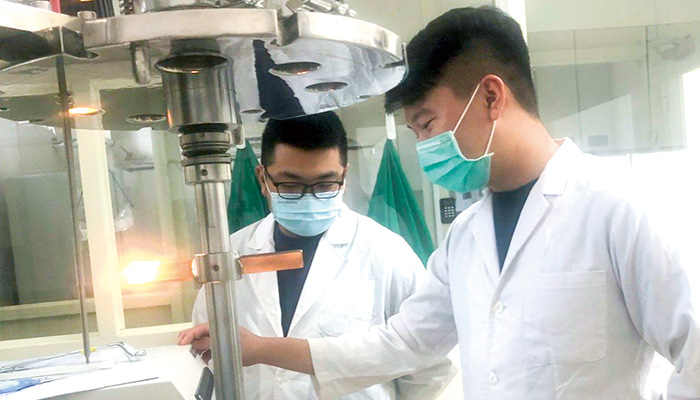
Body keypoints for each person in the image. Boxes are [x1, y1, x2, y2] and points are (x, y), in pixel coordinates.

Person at [183, 6, 700, 400]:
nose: (425, 145)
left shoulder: (617, 209)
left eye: (427, 123)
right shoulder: (467, 235)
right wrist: (260, 349)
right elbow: (404, 343)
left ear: (491, 97)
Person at [178, 111, 456, 400]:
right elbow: (207, 354)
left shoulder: (386, 252)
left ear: (344, 176)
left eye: (325, 184)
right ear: (263, 178)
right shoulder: (228, 256)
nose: (308, 198)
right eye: (290, 185)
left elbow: (430, 363)